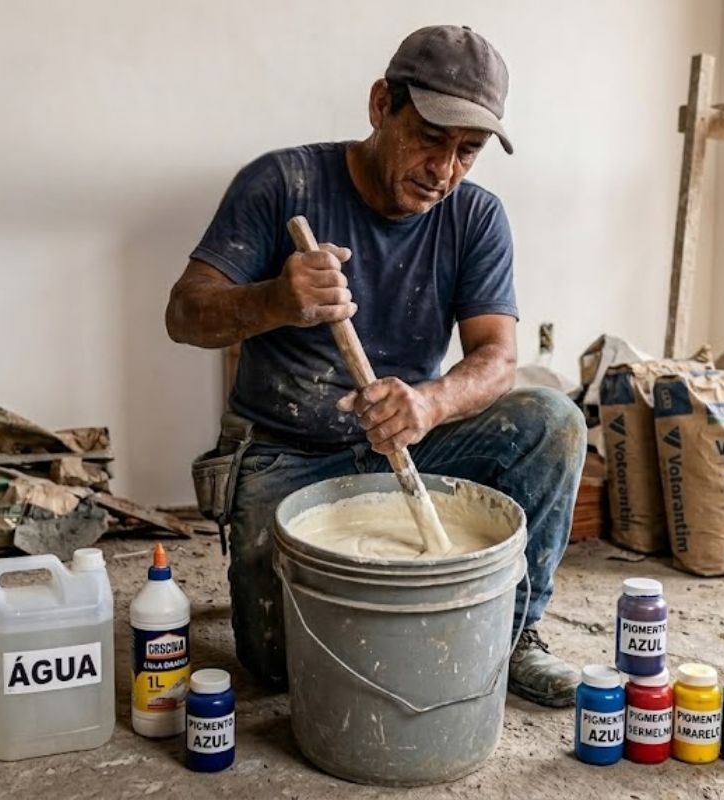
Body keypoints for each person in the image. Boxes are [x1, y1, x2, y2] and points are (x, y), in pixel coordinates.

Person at [165, 25, 586, 708]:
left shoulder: (474, 218)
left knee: (552, 421)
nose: (444, 170)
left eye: (468, 152)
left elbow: (497, 357)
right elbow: (184, 314)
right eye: (429, 136)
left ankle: (514, 633)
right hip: (286, 450)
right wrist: (274, 299)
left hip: (407, 437)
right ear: (380, 105)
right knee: (279, 669)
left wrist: (429, 404)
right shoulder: (283, 182)